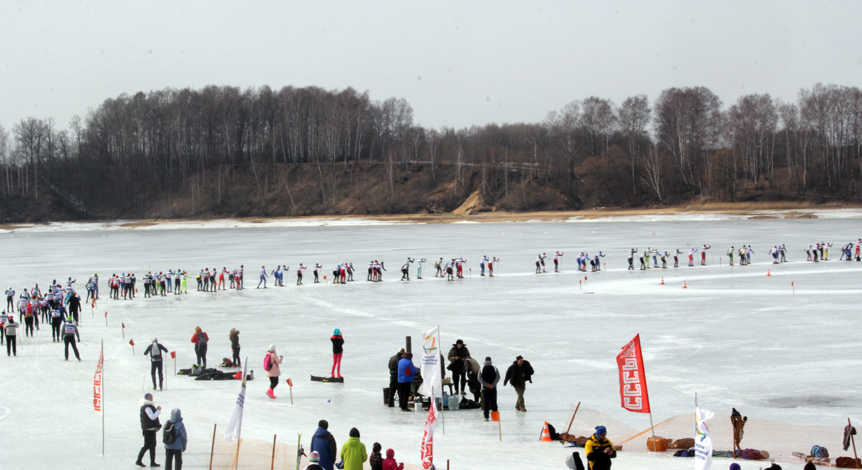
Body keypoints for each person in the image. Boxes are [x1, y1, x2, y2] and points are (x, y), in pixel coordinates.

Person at [136, 393, 162, 467]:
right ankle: (150, 462)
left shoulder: (149, 406)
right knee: (150, 446)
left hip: (150, 429)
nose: (152, 398)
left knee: (149, 446)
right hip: (148, 430)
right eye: (150, 397)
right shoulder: (146, 407)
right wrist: (158, 411)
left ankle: (141, 460)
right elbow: (152, 417)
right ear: (147, 398)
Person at [478, 356, 500, 421]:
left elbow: (479, 378)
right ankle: (495, 417)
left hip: (485, 389)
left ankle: (486, 417)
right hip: (493, 388)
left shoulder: (481, 368)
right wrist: (492, 385)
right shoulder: (495, 368)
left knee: (486, 403)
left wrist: (487, 385)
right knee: (494, 403)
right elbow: (498, 377)